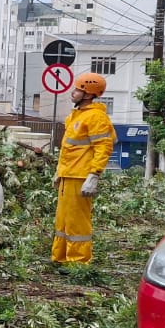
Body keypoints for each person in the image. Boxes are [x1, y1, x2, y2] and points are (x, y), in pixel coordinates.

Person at [51, 71, 116, 264]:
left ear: (88, 94)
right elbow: (69, 150)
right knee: (63, 221)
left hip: (80, 177)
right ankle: (61, 258)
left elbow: (103, 147)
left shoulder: (96, 117)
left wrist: (94, 175)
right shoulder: (76, 115)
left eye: (78, 89)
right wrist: (59, 172)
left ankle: (78, 262)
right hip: (69, 175)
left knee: (77, 223)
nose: (73, 92)